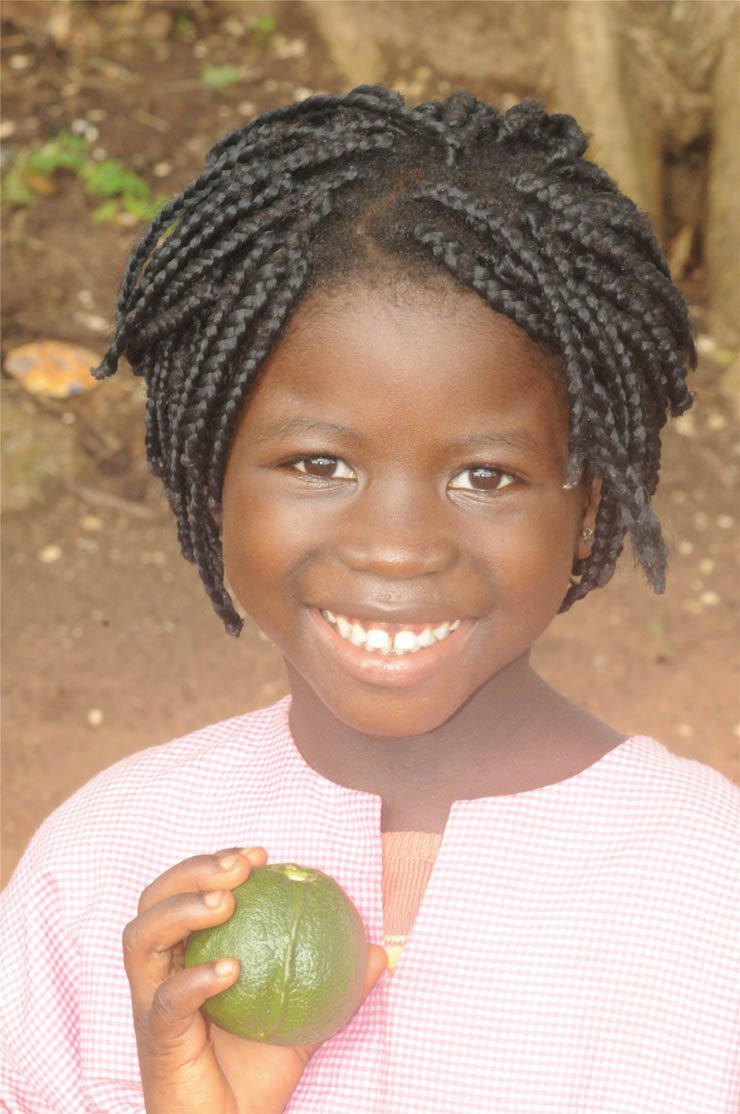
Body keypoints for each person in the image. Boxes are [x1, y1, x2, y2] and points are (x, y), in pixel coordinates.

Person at [1, 85, 737, 1114]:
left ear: (587, 507)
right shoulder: (100, 867)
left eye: (485, 476)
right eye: (316, 462)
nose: (396, 548)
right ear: (209, 470)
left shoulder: (709, 890)